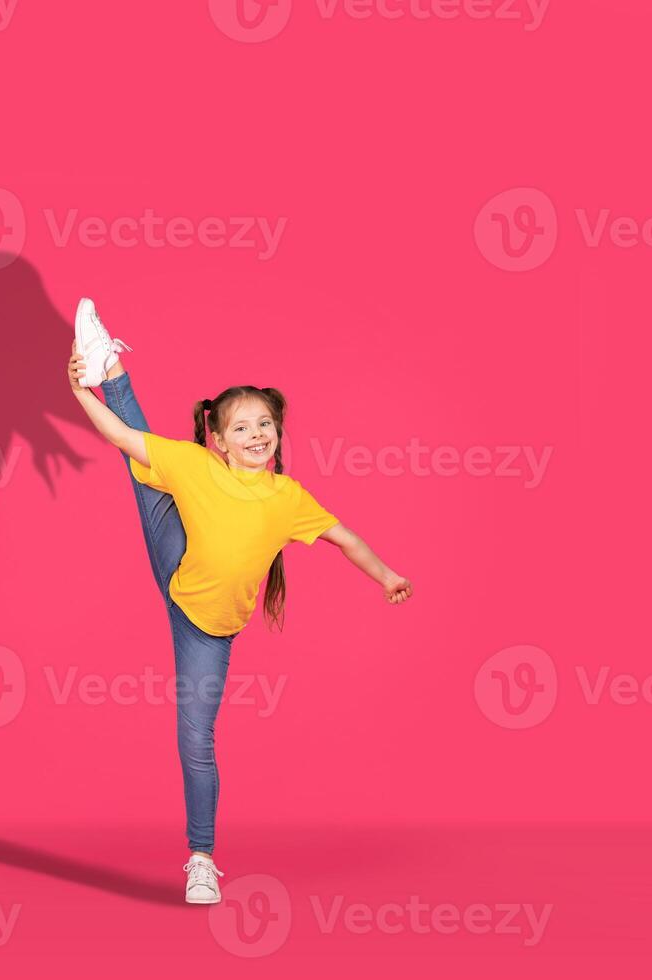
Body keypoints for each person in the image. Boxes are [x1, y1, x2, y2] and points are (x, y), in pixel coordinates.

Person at [66, 299, 414, 905]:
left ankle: (200, 858)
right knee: (138, 462)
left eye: (264, 425)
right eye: (242, 427)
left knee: (195, 737)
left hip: (207, 628)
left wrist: (385, 576)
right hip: (175, 561)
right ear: (218, 440)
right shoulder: (197, 465)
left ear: (277, 434)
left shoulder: (287, 496)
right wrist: (80, 390)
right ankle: (108, 368)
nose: (256, 434)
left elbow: (345, 538)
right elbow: (122, 435)